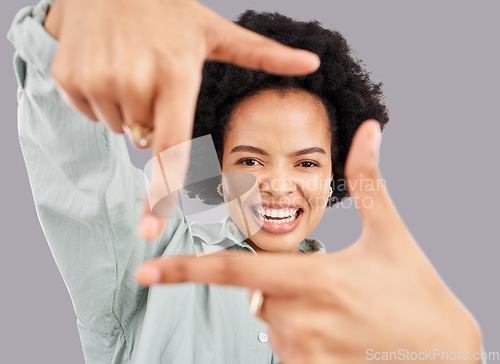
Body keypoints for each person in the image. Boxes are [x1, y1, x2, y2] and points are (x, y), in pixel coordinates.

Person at [8, 1, 484, 364]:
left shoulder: (358, 312)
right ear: (212, 162)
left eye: (306, 163)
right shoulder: (149, 258)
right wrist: (73, 21)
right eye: (251, 161)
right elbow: (81, 172)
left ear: (334, 172)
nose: (278, 185)